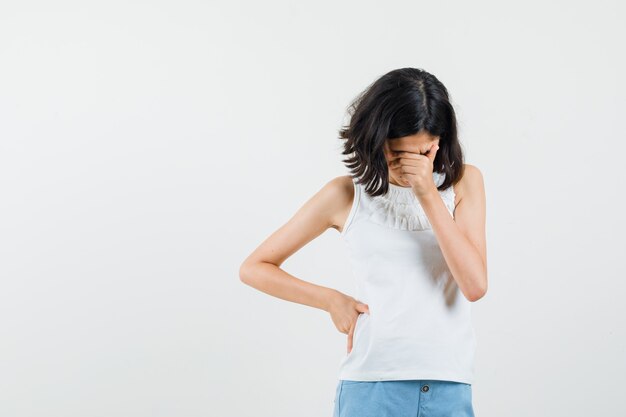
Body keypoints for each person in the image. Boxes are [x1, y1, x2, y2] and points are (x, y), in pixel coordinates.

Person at [239, 67, 487, 417]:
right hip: (371, 387)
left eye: (423, 152)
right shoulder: (345, 194)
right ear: (376, 138)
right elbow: (254, 268)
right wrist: (331, 300)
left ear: (438, 142)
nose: (410, 165)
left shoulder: (464, 183)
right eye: (398, 153)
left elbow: (475, 285)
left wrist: (427, 193)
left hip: (448, 384)